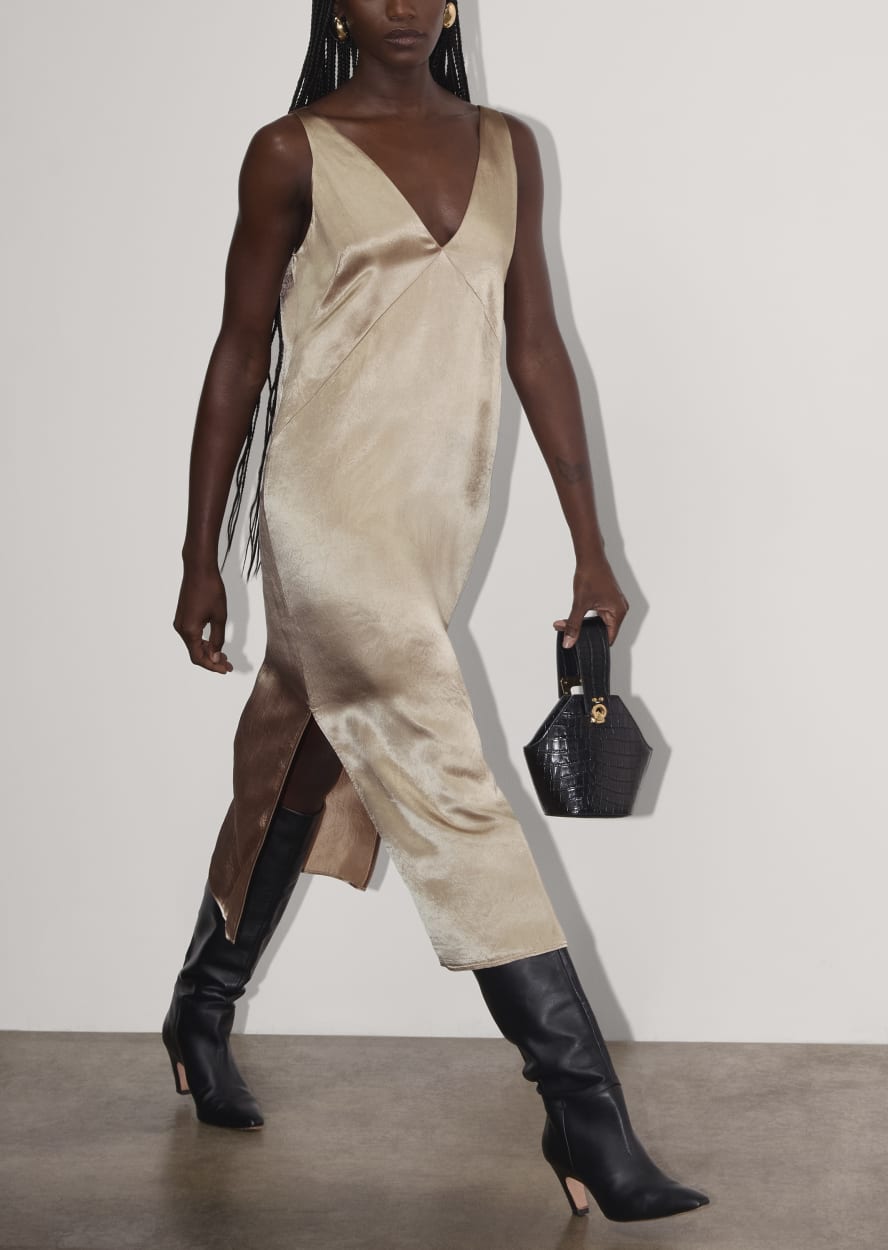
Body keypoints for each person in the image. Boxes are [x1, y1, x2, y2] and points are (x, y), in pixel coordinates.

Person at [162, 0, 710, 1225]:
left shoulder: (509, 146)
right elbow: (238, 352)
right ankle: (584, 1112)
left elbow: (537, 346)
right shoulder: (291, 151)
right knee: (449, 782)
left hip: (429, 525)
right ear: (336, 5)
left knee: (300, 759)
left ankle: (200, 1004)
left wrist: (591, 545)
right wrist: (201, 554)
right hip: (323, 513)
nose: (405, 4)